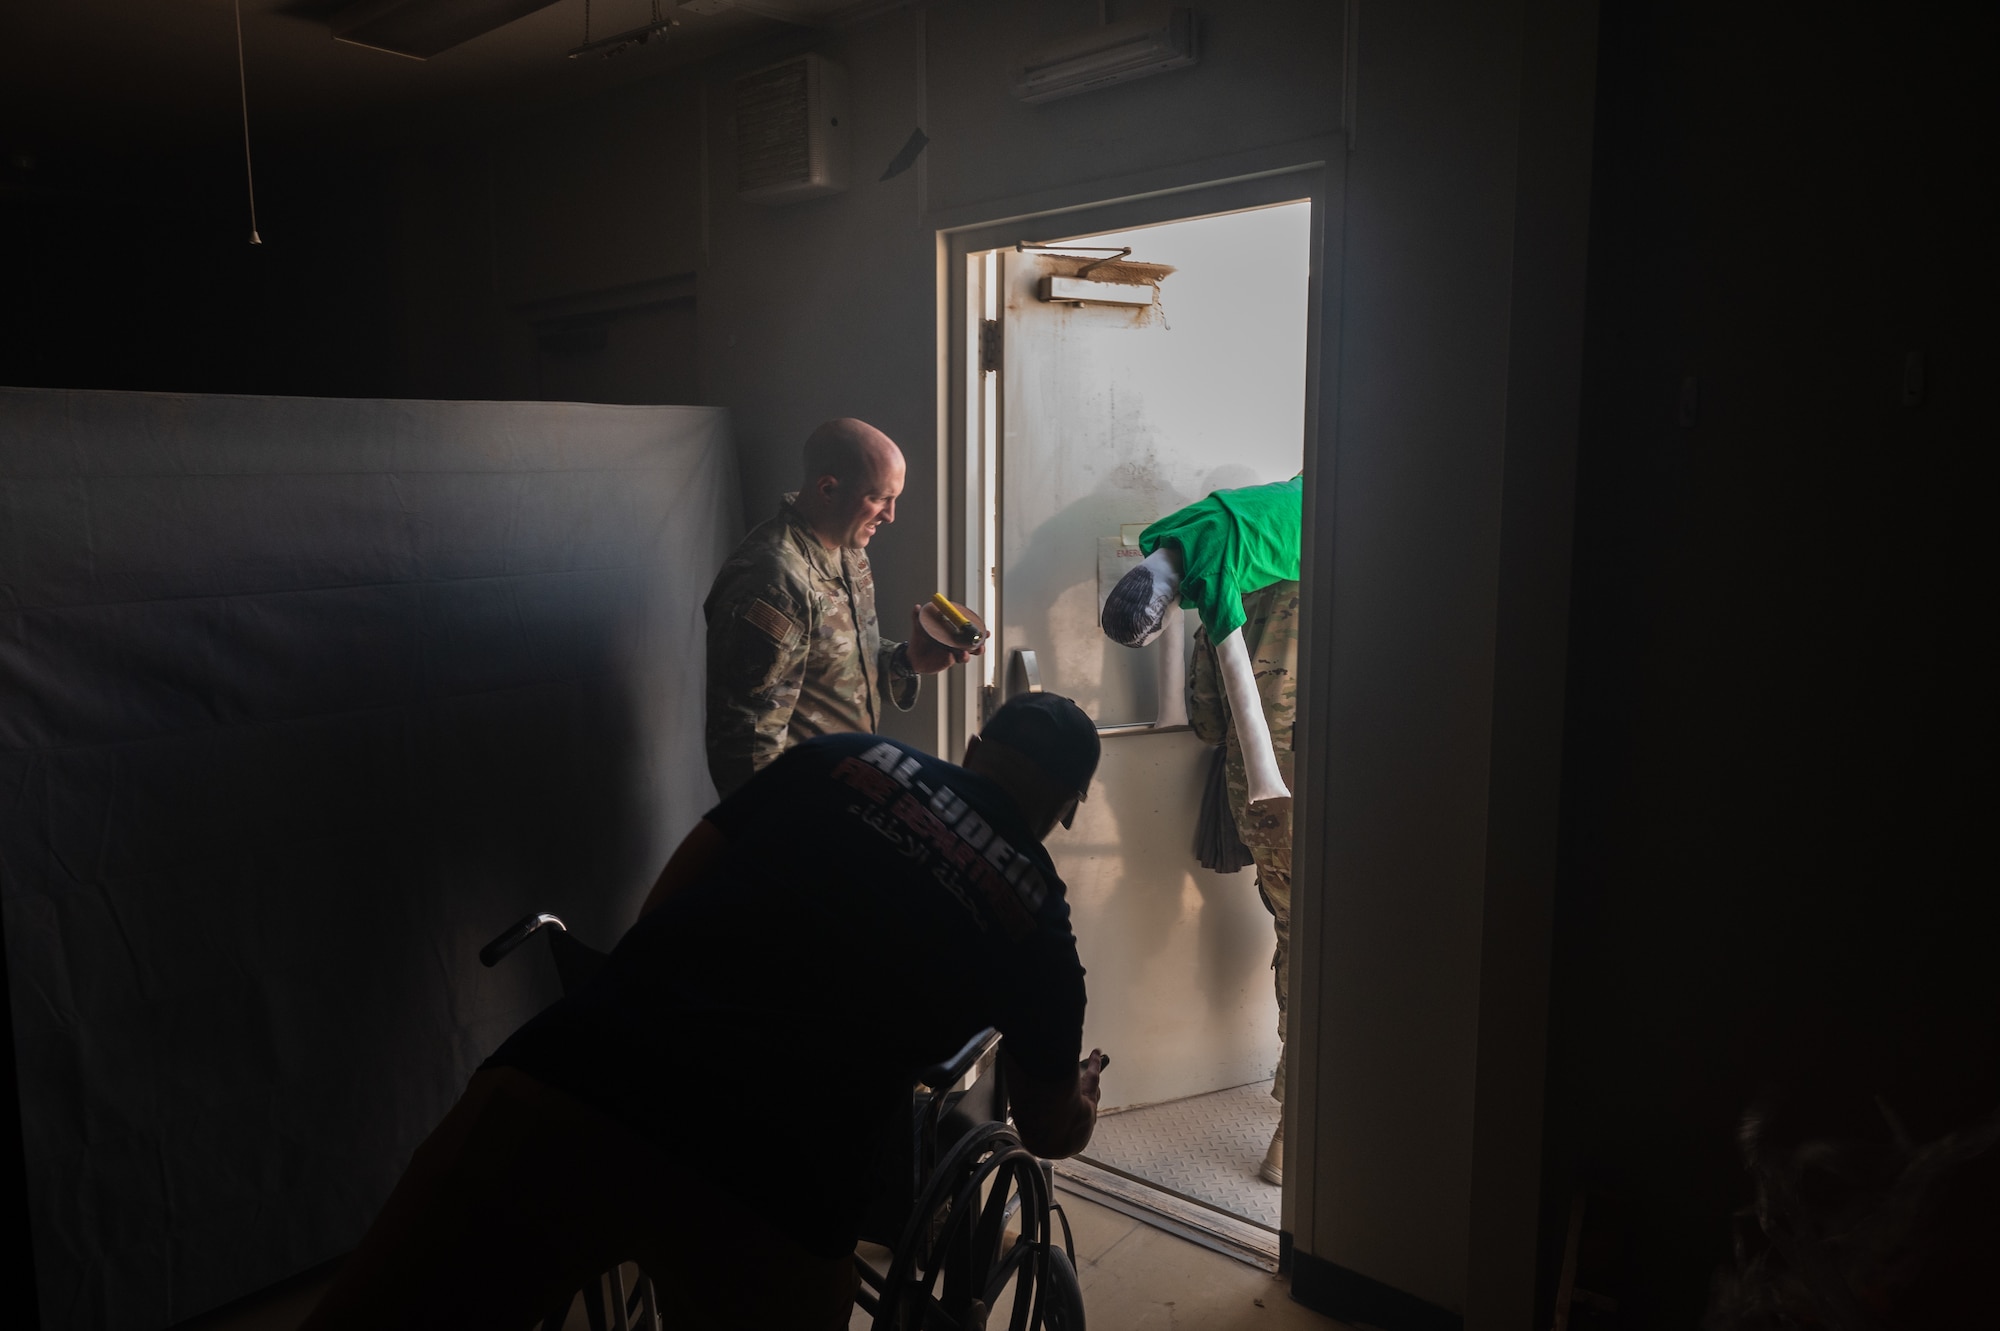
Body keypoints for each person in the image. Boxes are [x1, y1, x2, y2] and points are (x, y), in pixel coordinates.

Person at [300, 692, 1107, 1331]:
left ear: (970, 747)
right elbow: (1045, 1126)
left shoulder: (842, 756)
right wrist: (1084, 1096)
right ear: (1066, 808)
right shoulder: (1037, 918)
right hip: (782, 1185)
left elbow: (661, 912)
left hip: (583, 1077)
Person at [704, 417, 975, 798]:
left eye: (894, 498)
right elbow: (743, 739)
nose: (890, 515)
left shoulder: (849, 552)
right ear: (828, 489)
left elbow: (833, 662)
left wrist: (908, 660)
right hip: (798, 811)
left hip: (843, 793)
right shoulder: (773, 582)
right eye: (879, 498)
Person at [1188, 577, 1299, 1186]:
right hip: (1354, 777)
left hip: (1263, 796)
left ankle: (1298, 1107)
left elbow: (1207, 721)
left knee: (1298, 934)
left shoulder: (1228, 581)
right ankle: (1299, 1123)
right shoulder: (1362, 568)